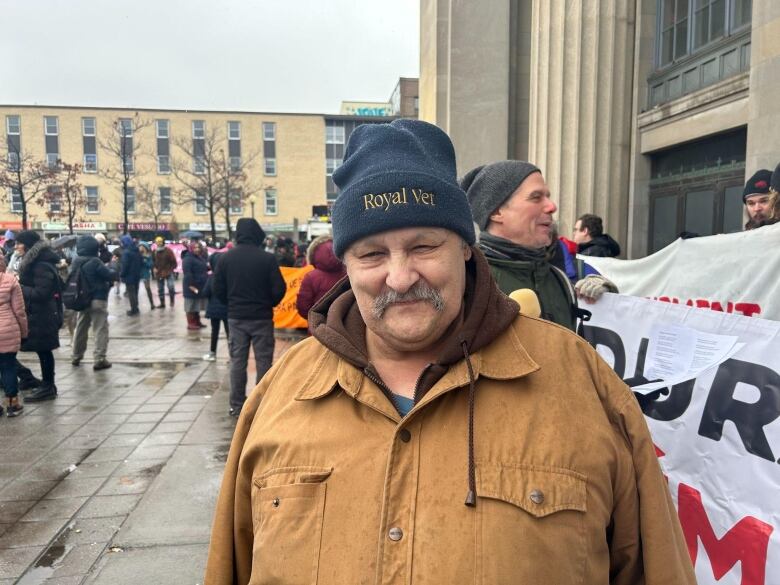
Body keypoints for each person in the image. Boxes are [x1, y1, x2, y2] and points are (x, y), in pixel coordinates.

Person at [204, 119, 696, 585]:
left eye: (423, 247)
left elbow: (655, 567)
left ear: (464, 246)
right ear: (347, 263)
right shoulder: (280, 394)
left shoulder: (581, 383)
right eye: (372, 254)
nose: (399, 277)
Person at [460, 161, 615, 331]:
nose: (552, 206)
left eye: (548, 196)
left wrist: (606, 299)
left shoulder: (560, 279)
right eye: (536, 197)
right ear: (497, 212)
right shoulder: (466, 281)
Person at [213, 218, 285, 416]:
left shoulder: (225, 259)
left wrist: (231, 303)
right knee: (263, 361)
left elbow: (217, 288)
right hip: (261, 317)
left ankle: (236, 405)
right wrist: (268, 303)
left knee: (238, 361)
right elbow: (279, 288)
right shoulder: (267, 259)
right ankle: (261, 403)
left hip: (237, 317)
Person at [14, 230, 62, 402]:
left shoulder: (41, 264)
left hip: (43, 315)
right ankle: (42, 383)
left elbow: (42, 293)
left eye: (19, 243)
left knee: (44, 350)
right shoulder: (35, 262)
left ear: (27, 245)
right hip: (36, 314)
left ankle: (49, 386)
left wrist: (19, 286)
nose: (16, 246)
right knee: (42, 350)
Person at [70, 235, 116, 371]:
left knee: (81, 328)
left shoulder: (76, 262)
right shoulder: (96, 261)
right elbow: (110, 275)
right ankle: (99, 358)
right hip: (97, 299)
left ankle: (76, 356)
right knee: (100, 328)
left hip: (82, 300)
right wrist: (113, 266)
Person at [0, 254, 28, 417]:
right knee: (8, 366)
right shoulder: (10, 280)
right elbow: (19, 311)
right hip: (7, 329)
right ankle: (13, 403)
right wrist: (24, 332)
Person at [295, 234, 346, 320]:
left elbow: (303, 307)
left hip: (318, 328)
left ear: (313, 254)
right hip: (346, 328)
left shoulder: (311, 277)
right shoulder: (348, 274)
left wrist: (315, 320)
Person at [202, 252, 229, 361]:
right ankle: (233, 355)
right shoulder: (229, 277)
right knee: (230, 333)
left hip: (214, 310)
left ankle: (212, 353)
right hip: (227, 309)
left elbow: (205, 292)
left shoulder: (211, 277)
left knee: (215, 332)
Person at [182, 241, 209, 330]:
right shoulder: (188, 259)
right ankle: (191, 323)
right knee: (190, 305)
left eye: (198, 247)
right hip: (191, 285)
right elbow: (187, 273)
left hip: (200, 285)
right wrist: (190, 285)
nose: (197, 249)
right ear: (191, 249)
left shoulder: (199, 257)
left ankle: (197, 322)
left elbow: (203, 268)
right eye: (195, 248)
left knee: (196, 304)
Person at [119, 235, 142, 315]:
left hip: (129, 276)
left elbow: (125, 265)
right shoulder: (136, 250)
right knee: (135, 292)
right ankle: (136, 307)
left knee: (131, 293)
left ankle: (134, 309)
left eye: (122, 242)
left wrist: (121, 274)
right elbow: (141, 261)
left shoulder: (126, 252)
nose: (121, 244)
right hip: (137, 275)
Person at [153, 236, 177, 308]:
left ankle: (172, 301)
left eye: (160, 241)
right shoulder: (154, 251)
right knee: (160, 288)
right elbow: (152, 261)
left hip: (168, 272)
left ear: (163, 242)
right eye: (157, 242)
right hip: (159, 273)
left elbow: (174, 262)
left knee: (171, 286)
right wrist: (154, 268)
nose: (159, 243)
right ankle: (162, 303)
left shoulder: (168, 251)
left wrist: (170, 270)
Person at [138, 243, 156, 310]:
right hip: (138, 274)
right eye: (140, 247)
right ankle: (136, 306)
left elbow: (150, 265)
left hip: (145, 274)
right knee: (136, 290)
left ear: (145, 248)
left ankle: (152, 304)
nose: (140, 248)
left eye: (142, 247)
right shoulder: (137, 255)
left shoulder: (148, 256)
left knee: (148, 289)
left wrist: (145, 260)